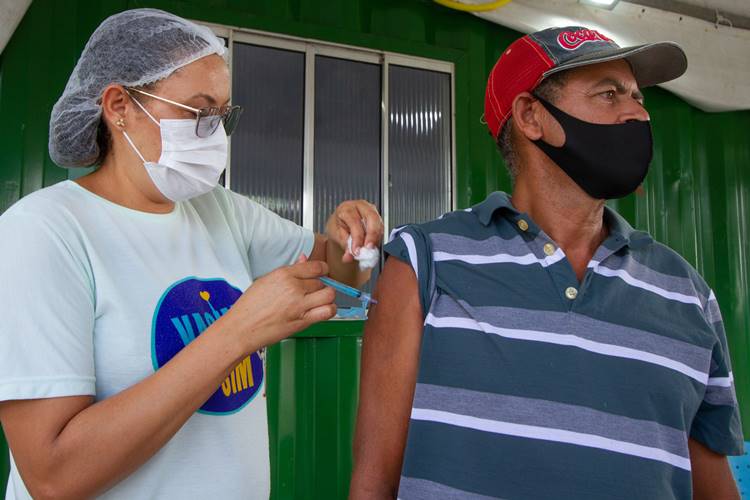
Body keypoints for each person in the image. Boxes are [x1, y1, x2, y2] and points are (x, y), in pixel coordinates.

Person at [0, 8, 383, 499]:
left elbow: (335, 273)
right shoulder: (45, 232)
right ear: (119, 106)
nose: (215, 135)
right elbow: (53, 476)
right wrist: (238, 332)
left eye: (222, 116)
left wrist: (349, 239)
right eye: (196, 112)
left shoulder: (219, 209)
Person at [350, 26, 743, 500]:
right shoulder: (424, 262)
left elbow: (714, 486)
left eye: (638, 98)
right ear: (531, 116)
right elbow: (375, 482)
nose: (638, 113)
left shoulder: (688, 294)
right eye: (609, 94)